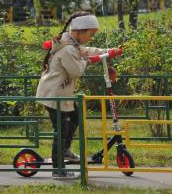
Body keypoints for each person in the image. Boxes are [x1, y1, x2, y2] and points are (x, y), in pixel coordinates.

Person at [36, 11, 119, 179]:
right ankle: (58, 169)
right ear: (80, 31)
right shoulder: (67, 49)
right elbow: (76, 71)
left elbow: (86, 51)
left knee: (75, 118)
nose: (92, 37)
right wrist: (88, 60)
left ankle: (65, 151)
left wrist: (108, 51)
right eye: (91, 33)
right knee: (60, 129)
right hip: (53, 95)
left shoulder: (72, 43)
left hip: (62, 94)